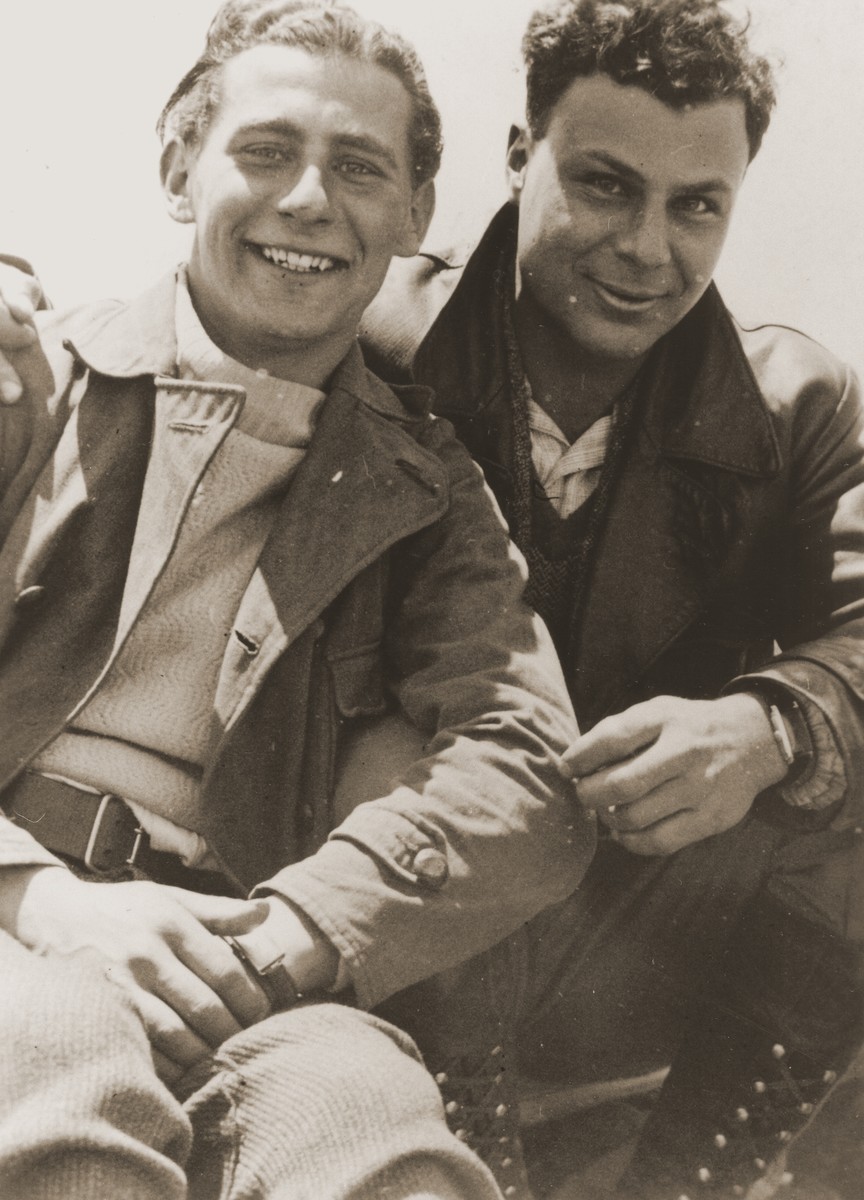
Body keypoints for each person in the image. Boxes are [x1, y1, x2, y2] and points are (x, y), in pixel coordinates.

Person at [0, 2, 595, 1197]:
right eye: (266, 151)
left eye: (360, 167)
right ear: (181, 169)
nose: (311, 200)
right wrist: (39, 895)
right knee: (58, 1082)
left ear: (415, 216)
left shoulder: (430, 497)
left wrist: (293, 935)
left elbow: (528, 766)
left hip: (249, 956)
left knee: (382, 1141)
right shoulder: (33, 388)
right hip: (20, 918)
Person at [356, 1, 864, 1196]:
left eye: (698, 206)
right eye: (604, 185)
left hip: (634, 928)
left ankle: (695, 1175)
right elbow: (171, 337)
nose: (647, 247)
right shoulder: (371, 331)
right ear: (521, 158)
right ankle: (469, 1137)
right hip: (405, 912)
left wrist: (770, 724)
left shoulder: (796, 399)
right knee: (398, 749)